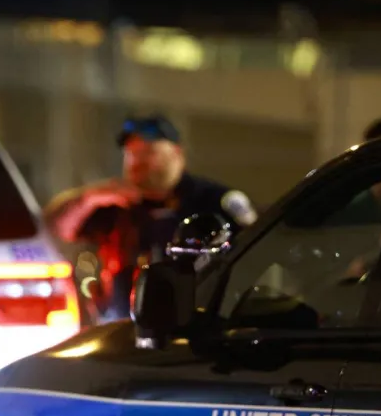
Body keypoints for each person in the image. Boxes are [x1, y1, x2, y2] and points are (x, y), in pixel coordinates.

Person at [47, 114, 257, 322]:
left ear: (177, 154)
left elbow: (255, 252)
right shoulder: (113, 205)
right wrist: (89, 197)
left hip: (196, 330)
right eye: (131, 154)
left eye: (148, 152)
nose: (137, 161)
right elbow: (55, 228)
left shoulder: (215, 202)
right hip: (121, 332)